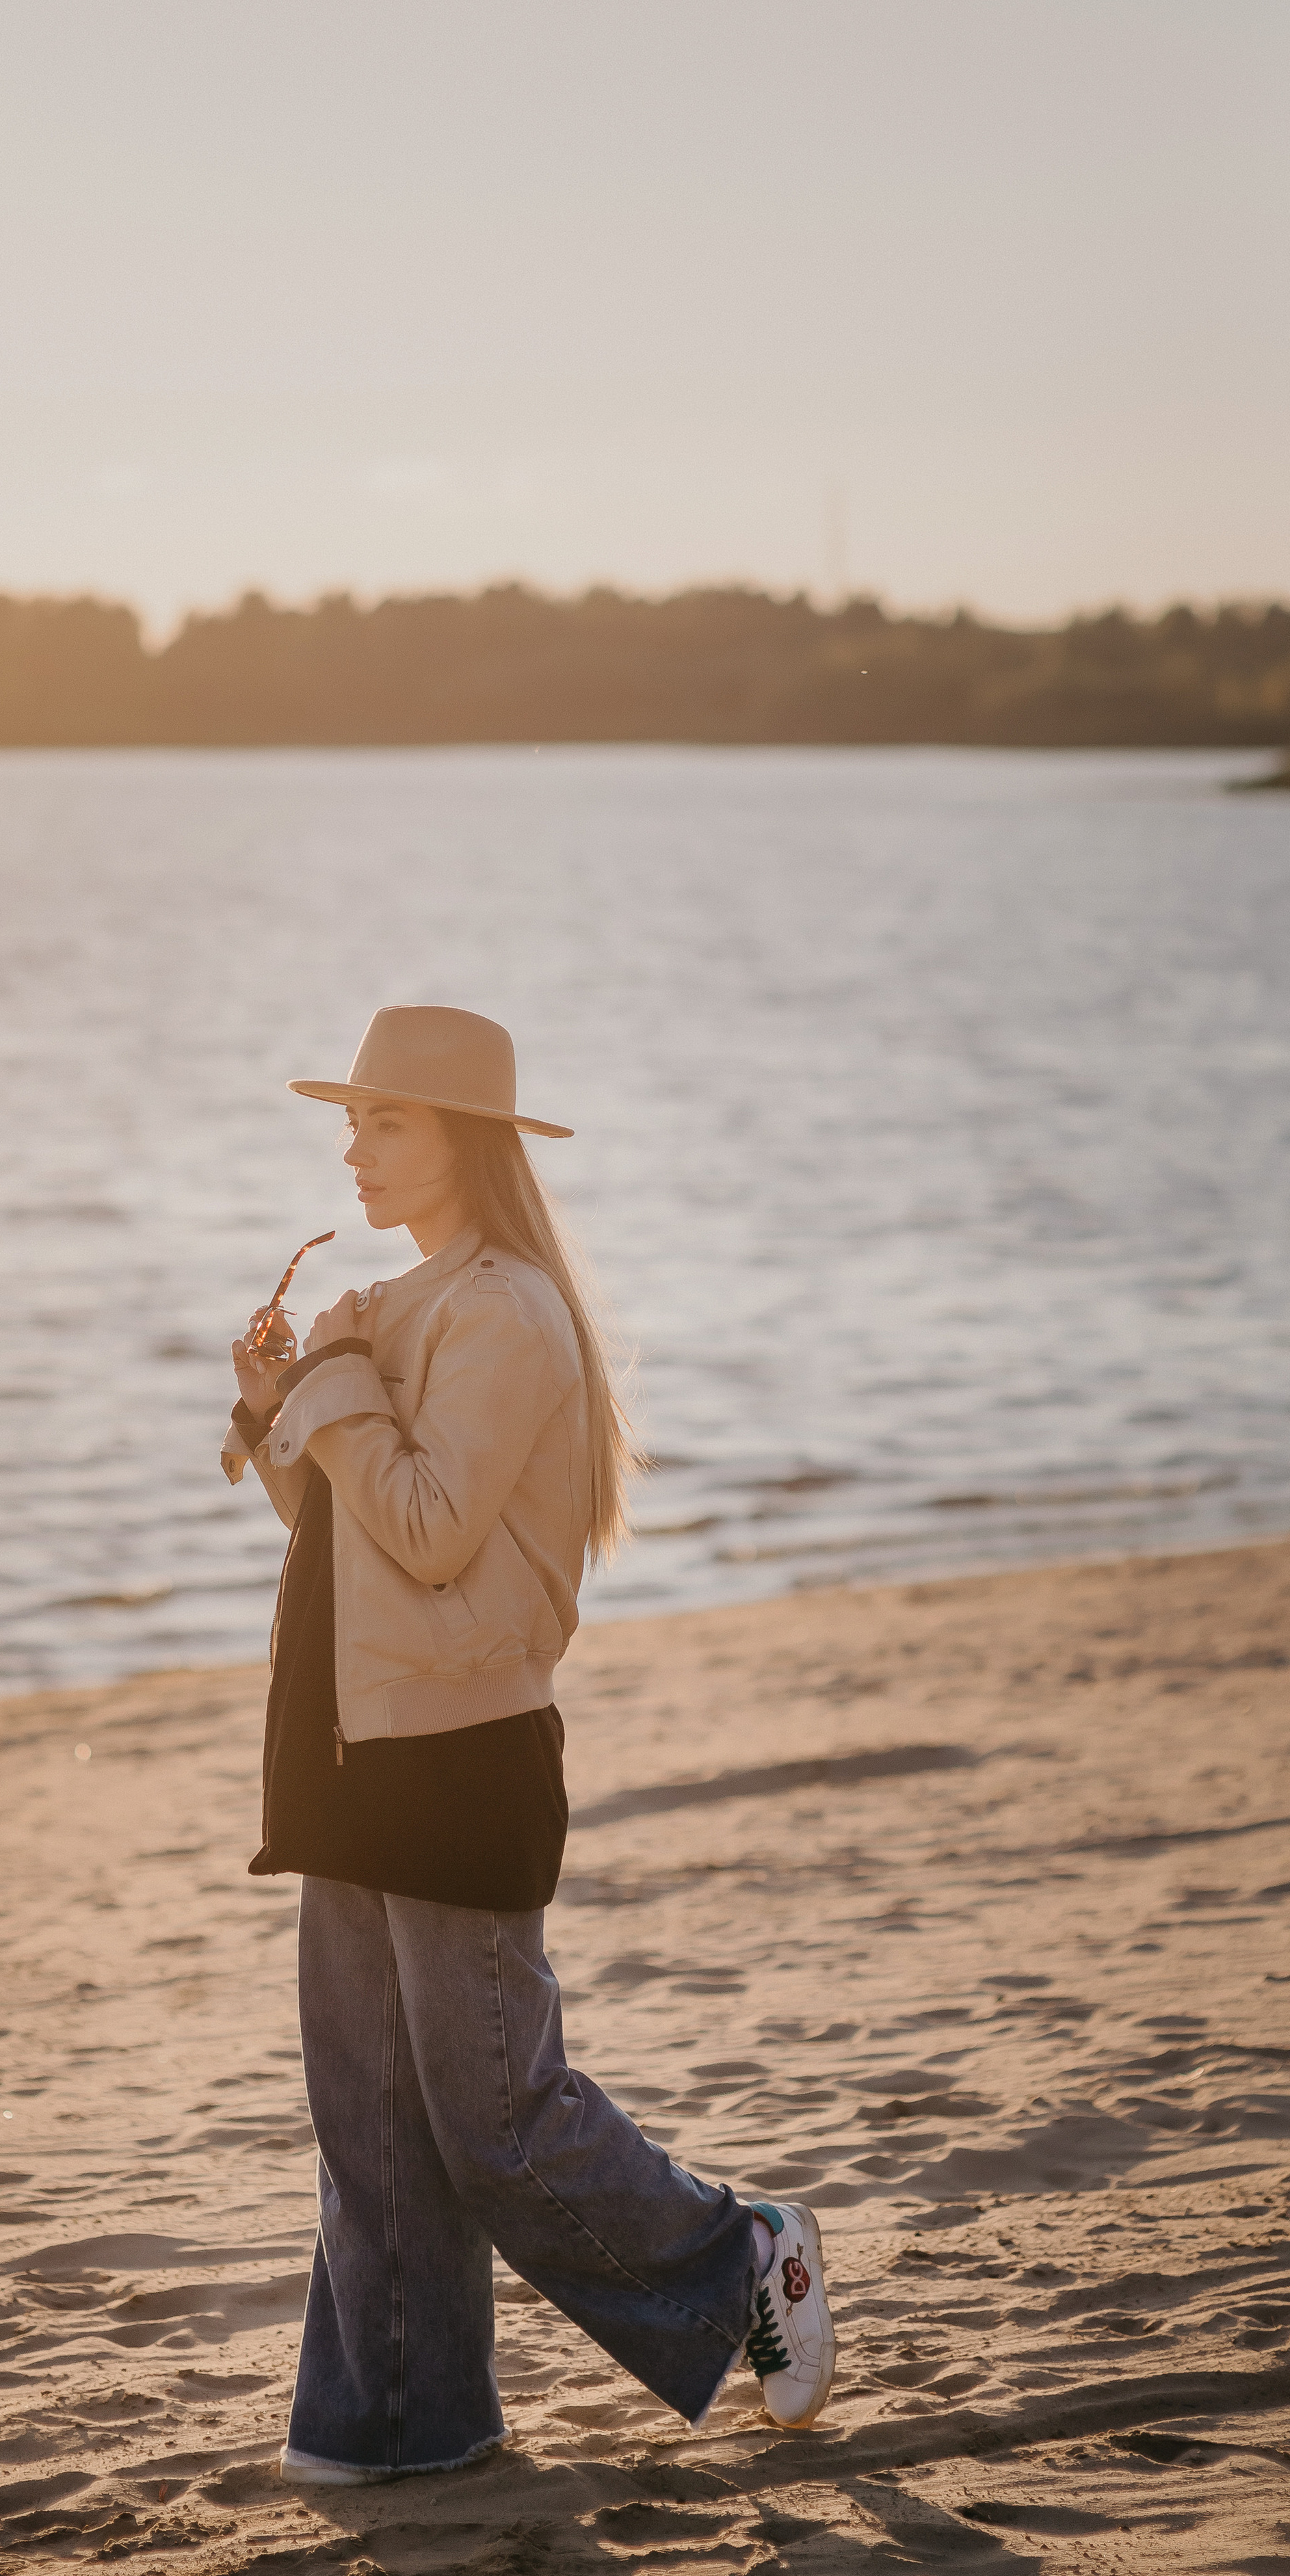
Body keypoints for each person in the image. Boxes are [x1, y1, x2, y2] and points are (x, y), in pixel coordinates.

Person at [222, 1004, 835, 2483]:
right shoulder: (406, 1297)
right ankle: (403, 2419)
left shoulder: (502, 1308)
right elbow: (349, 1539)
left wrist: (337, 1387)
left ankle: (740, 2252)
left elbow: (429, 1536)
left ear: (467, 1143)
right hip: (349, 1743)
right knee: (369, 2117)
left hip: (457, 1752)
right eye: (351, 1120)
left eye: (388, 1121)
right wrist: (278, 1408)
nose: (355, 1145)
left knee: (493, 2117)